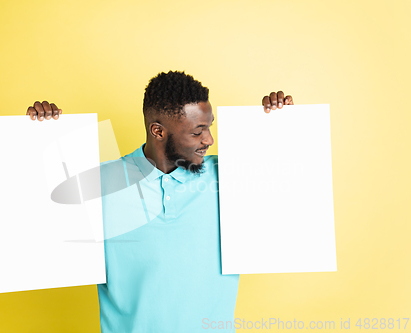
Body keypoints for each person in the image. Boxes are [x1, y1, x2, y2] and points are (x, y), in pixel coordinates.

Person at [26, 71, 293, 332]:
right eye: (197, 131)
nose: (209, 139)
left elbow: (289, 191)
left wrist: (279, 124)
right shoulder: (101, 184)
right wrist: (36, 134)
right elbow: (34, 221)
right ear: (158, 131)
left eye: (209, 127)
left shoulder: (231, 178)